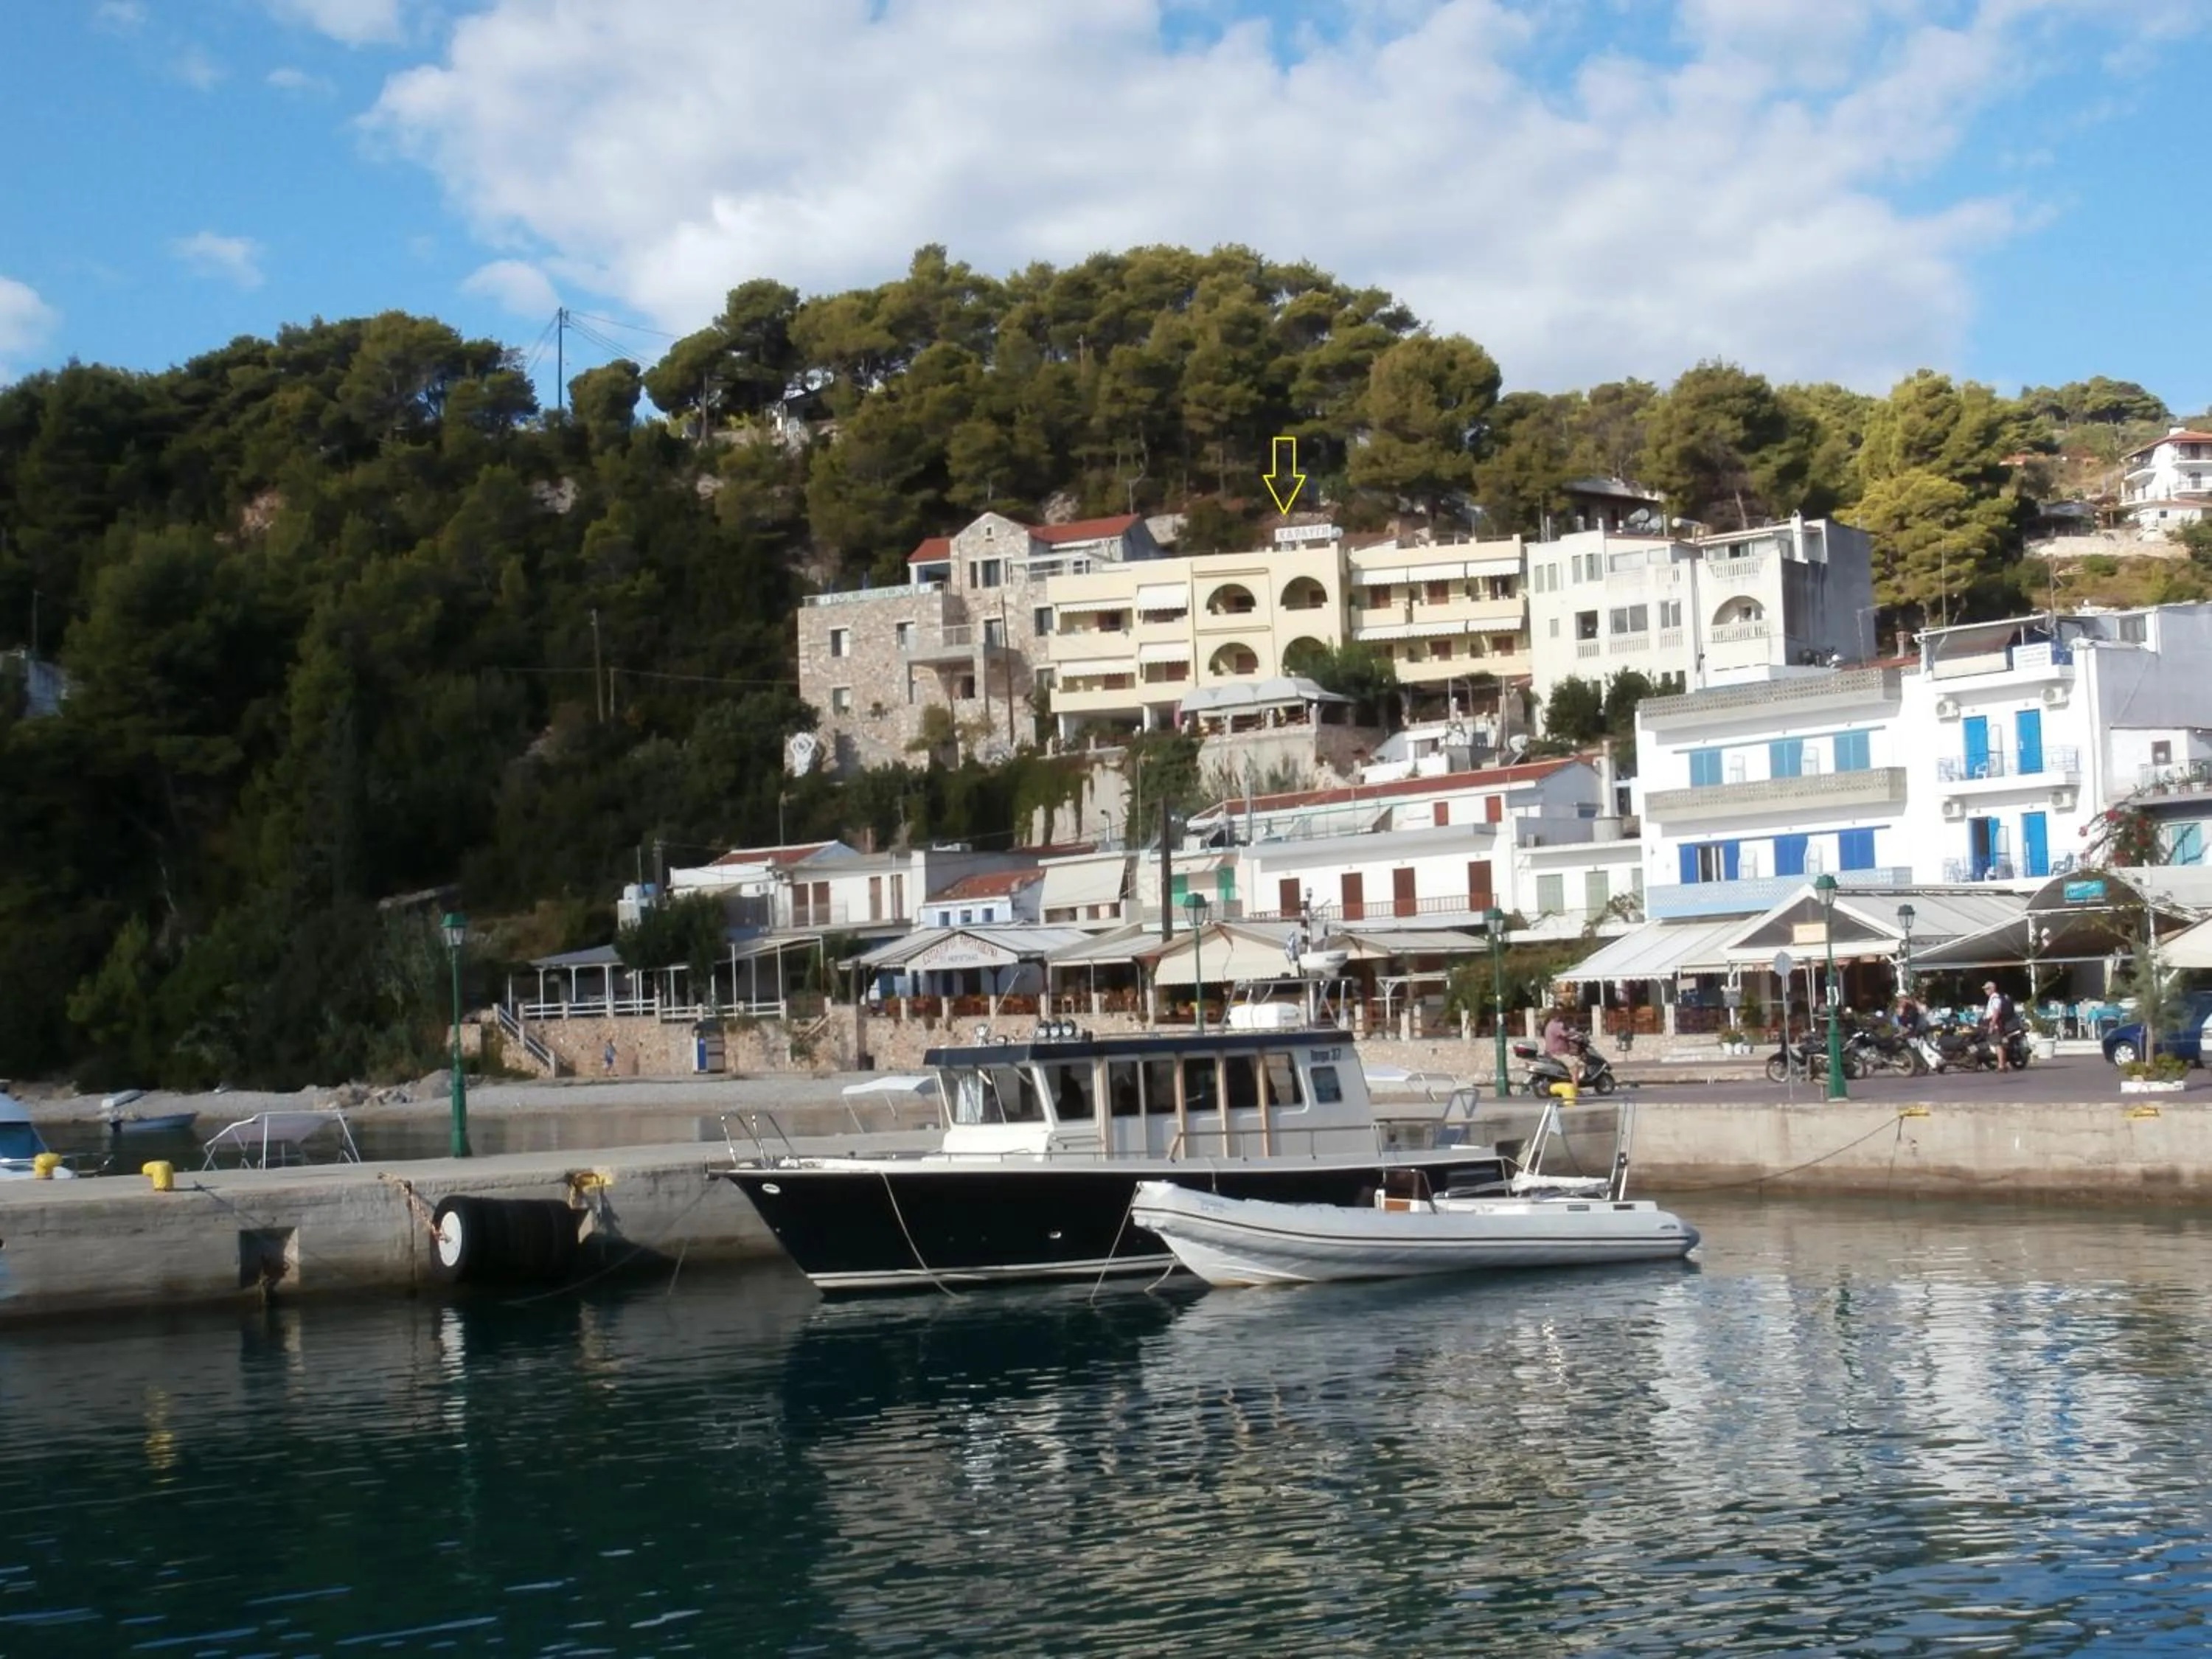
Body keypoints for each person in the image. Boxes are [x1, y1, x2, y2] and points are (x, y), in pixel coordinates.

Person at [1980, 981, 2013, 1071]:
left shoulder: (1995, 999)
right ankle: (2002, 1064)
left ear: (1992, 989)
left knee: (1997, 1044)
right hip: (1992, 1023)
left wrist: (1992, 1024)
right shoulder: (1992, 998)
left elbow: (1996, 1012)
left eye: (1987, 989)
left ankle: (2001, 1066)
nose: (1985, 991)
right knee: (1998, 1044)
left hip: (1994, 1024)